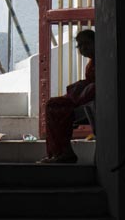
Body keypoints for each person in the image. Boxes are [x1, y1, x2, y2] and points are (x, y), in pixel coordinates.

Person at [38, 29, 95, 164]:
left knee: (54, 107)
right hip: (84, 98)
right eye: (80, 45)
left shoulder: (101, 61)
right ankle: (60, 152)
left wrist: (78, 94)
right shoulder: (92, 63)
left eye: (86, 43)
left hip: (88, 99)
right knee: (52, 105)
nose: (83, 48)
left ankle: (63, 152)